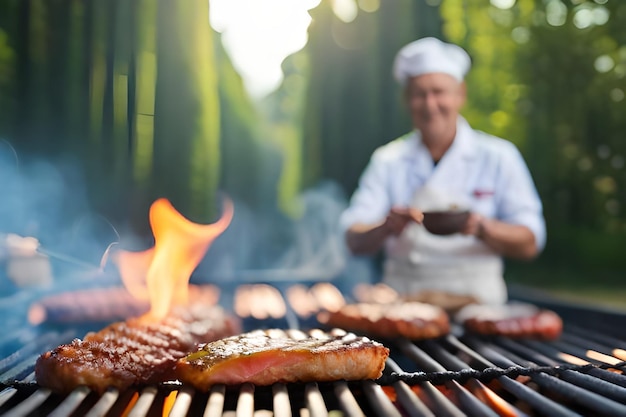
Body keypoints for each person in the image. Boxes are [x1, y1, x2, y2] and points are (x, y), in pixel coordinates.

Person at [339, 37, 546, 305]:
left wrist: (482, 227)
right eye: (419, 94)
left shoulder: (499, 157)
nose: (429, 104)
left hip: (480, 311)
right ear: (406, 99)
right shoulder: (387, 160)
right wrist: (385, 227)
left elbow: (530, 242)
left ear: (460, 94)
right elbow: (353, 239)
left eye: (439, 91)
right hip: (403, 311)